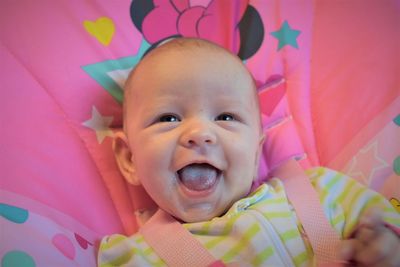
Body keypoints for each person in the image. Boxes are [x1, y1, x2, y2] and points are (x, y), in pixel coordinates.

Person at [98, 38, 400, 266]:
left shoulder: (323, 190)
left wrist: (387, 248)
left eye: (226, 117)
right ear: (129, 159)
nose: (200, 134)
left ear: (256, 153)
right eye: (169, 118)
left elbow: (388, 223)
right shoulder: (132, 257)